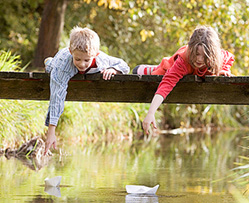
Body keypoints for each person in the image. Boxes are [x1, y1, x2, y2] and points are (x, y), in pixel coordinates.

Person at [133, 25, 234, 134]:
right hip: (170, 67)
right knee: (157, 72)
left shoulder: (216, 57)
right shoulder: (183, 60)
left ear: (212, 54)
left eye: (204, 56)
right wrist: (150, 113)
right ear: (191, 49)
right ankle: (150, 68)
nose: (199, 59)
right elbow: (166, 85)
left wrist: (223, 69)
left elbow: (230, 57)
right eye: (196, 54)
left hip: (186, 69)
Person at [44, 26, 130, 154]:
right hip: (58, 63)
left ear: (96, 54)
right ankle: (48, 61)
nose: (82, 64)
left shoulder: (102, 59)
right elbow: (57, 95)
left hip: (88, 63)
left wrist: (114, 70)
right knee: (51, 68)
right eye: (77, 59)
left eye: (87, 60)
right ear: (71, 51)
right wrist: (51, 130)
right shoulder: (63, 65)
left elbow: (124, 65)